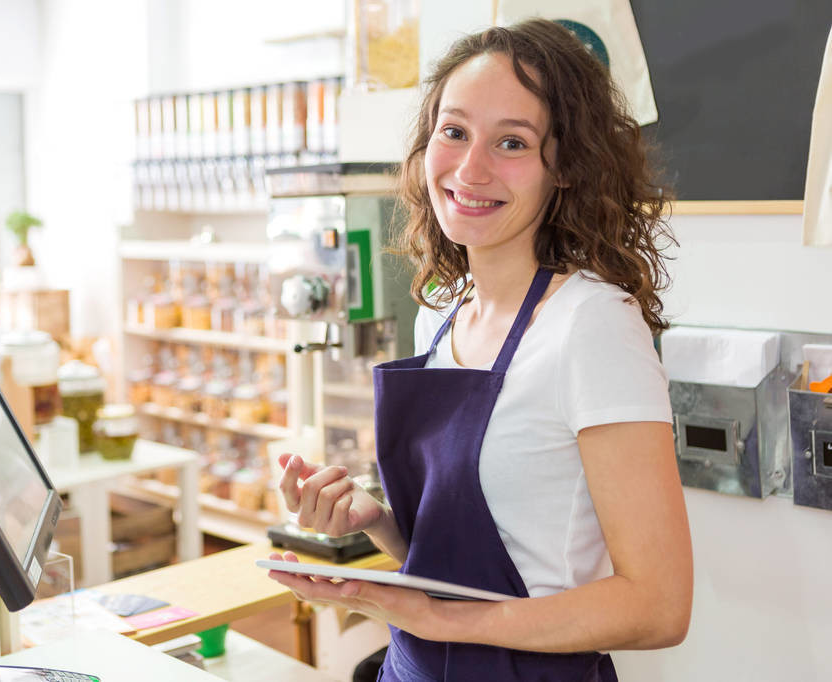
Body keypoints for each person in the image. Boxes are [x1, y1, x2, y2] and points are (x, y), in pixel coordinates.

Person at [267, 18, 693, 682]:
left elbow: (658, 607)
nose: (470, 168)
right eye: (454, 131)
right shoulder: (439, 311)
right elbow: (468, 561)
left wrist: (439, 620)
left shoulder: (591, 325)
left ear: (565, 172)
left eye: (512, 142)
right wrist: (375, 521)